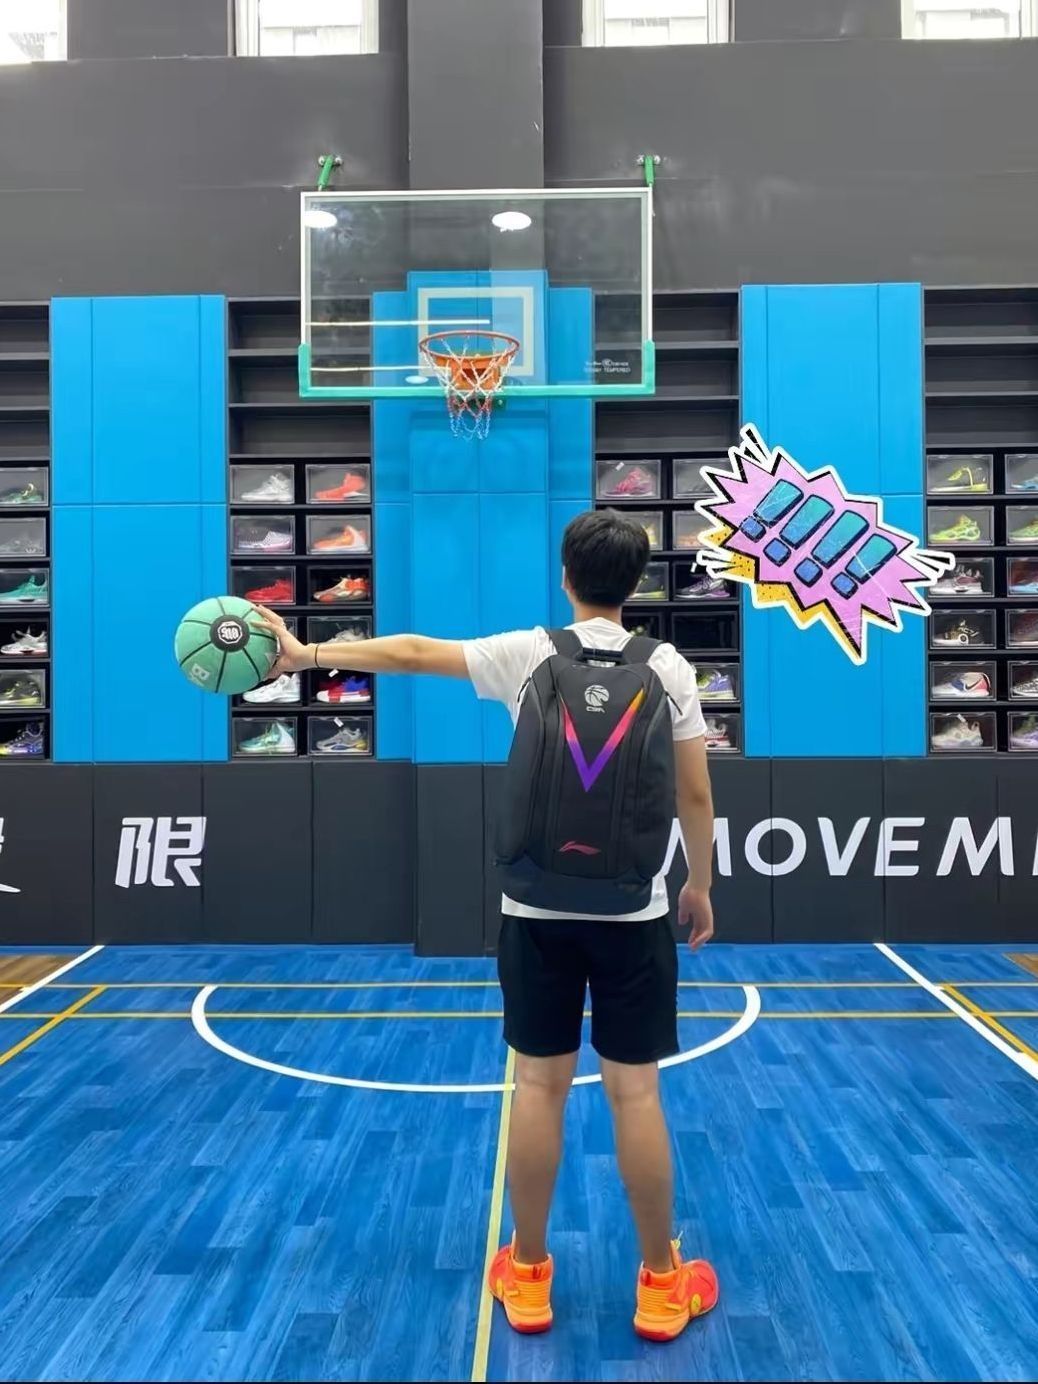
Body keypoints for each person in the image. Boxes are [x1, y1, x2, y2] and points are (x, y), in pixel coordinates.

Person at [257, 508, 718, 1342]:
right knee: (637, 1092)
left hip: (536, 910)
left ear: (566, 578)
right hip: (633, 912)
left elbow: (410, 653)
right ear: (638, 582)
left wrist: (307, 655)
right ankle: (660, 1281)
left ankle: (529, 1274)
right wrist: (701, 885)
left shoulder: (530, 653)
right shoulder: (671, 668)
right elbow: (692, 794)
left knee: (538, 1087)